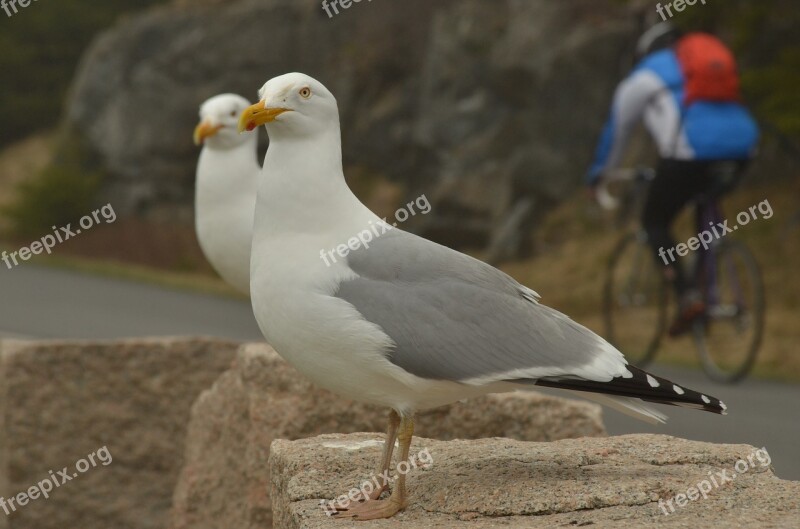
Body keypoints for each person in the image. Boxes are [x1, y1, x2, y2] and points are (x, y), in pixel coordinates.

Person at [586, 22, 760, 336]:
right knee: (704, 205)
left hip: (688, 155)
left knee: (654, 222)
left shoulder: (643, 77)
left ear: (646, 51)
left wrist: (599, 174)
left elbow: (618, 132)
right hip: (743, 148)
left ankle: (688, 295)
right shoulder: (704, 64)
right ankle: (707, 283)